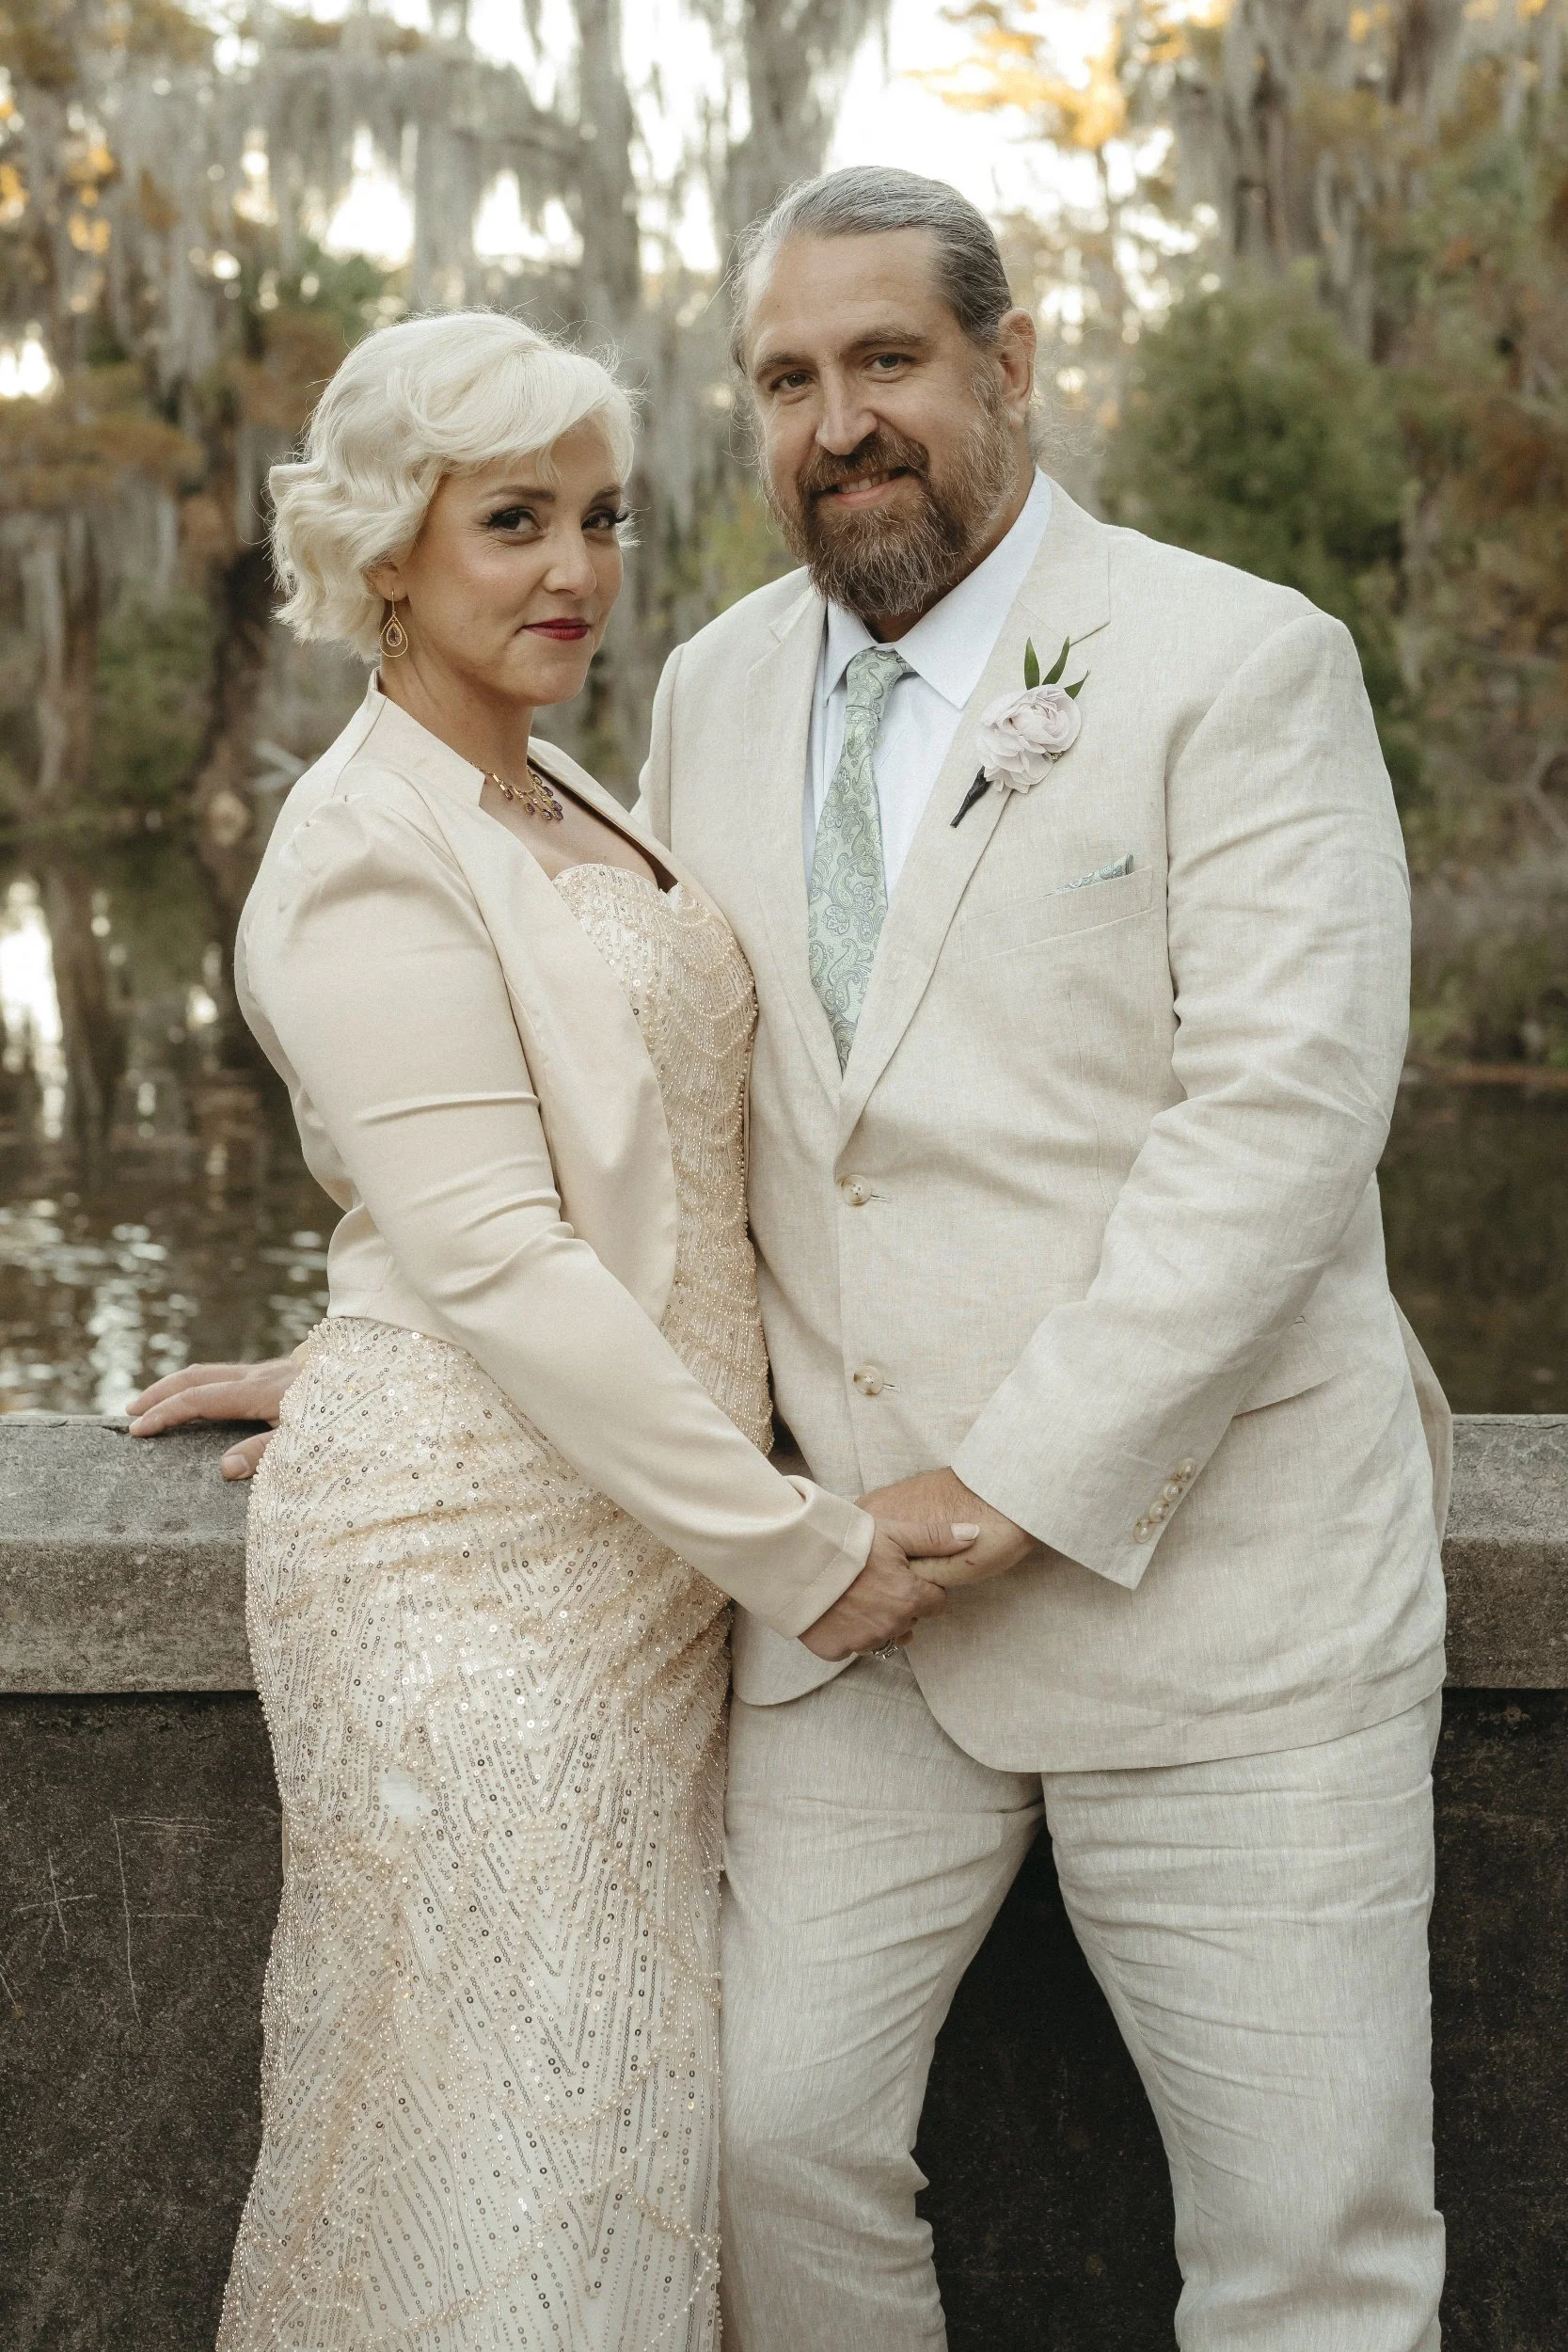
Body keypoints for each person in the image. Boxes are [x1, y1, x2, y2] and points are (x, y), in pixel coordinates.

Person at [133, 168, 1452, 2352]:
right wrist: (406, 1331)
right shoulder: (716, 689)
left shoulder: (1237, 661)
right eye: (783, 378)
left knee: (1306, 2241)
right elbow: (675, 1101)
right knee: (764, 2148)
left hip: (1215, 1592)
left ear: (1007, 364)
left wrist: (1008, 1483)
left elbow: (1278, 1131)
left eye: (886, 359)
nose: (837, 421)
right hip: (848, 1625)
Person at [177, 307, 975, 2352]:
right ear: (387, 550)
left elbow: (602, 1163)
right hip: (478, 1585)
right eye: (511, 520)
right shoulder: (362, 849)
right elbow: (506, 1263)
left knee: (625, 2134)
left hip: (636, 1546)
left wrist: (362, 1321)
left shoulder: (550, 789)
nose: (574, 571)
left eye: (601, 518)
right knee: (519, 2159)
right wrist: (803, 1550)